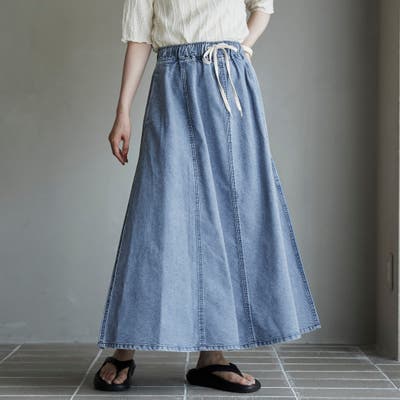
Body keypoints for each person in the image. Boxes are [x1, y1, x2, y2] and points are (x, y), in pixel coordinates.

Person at [93, 0, 322, 394]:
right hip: (173, 80)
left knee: (230, 213)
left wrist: (241, 48)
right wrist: (123, 111)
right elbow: (139, 35)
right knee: (157, 213)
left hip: (229, 81)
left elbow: (262, 7)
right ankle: (125, 347)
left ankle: (212, 357)